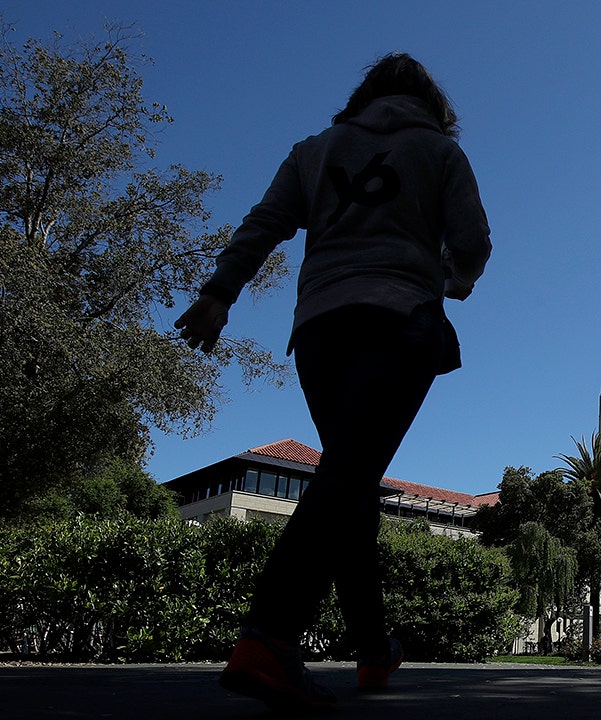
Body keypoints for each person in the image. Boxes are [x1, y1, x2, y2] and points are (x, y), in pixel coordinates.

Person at [175, 53, 490, 713]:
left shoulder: (315, 150)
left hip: (319, 330)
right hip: (399, 320)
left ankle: (374, 650)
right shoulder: (439, 152)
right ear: (430, 103)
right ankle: (268, 637)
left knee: (352, 483)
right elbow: (473, 243)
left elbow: (263, 226)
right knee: (346, 477)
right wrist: (446, 279)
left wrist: (218, 294)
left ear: (365, 96)